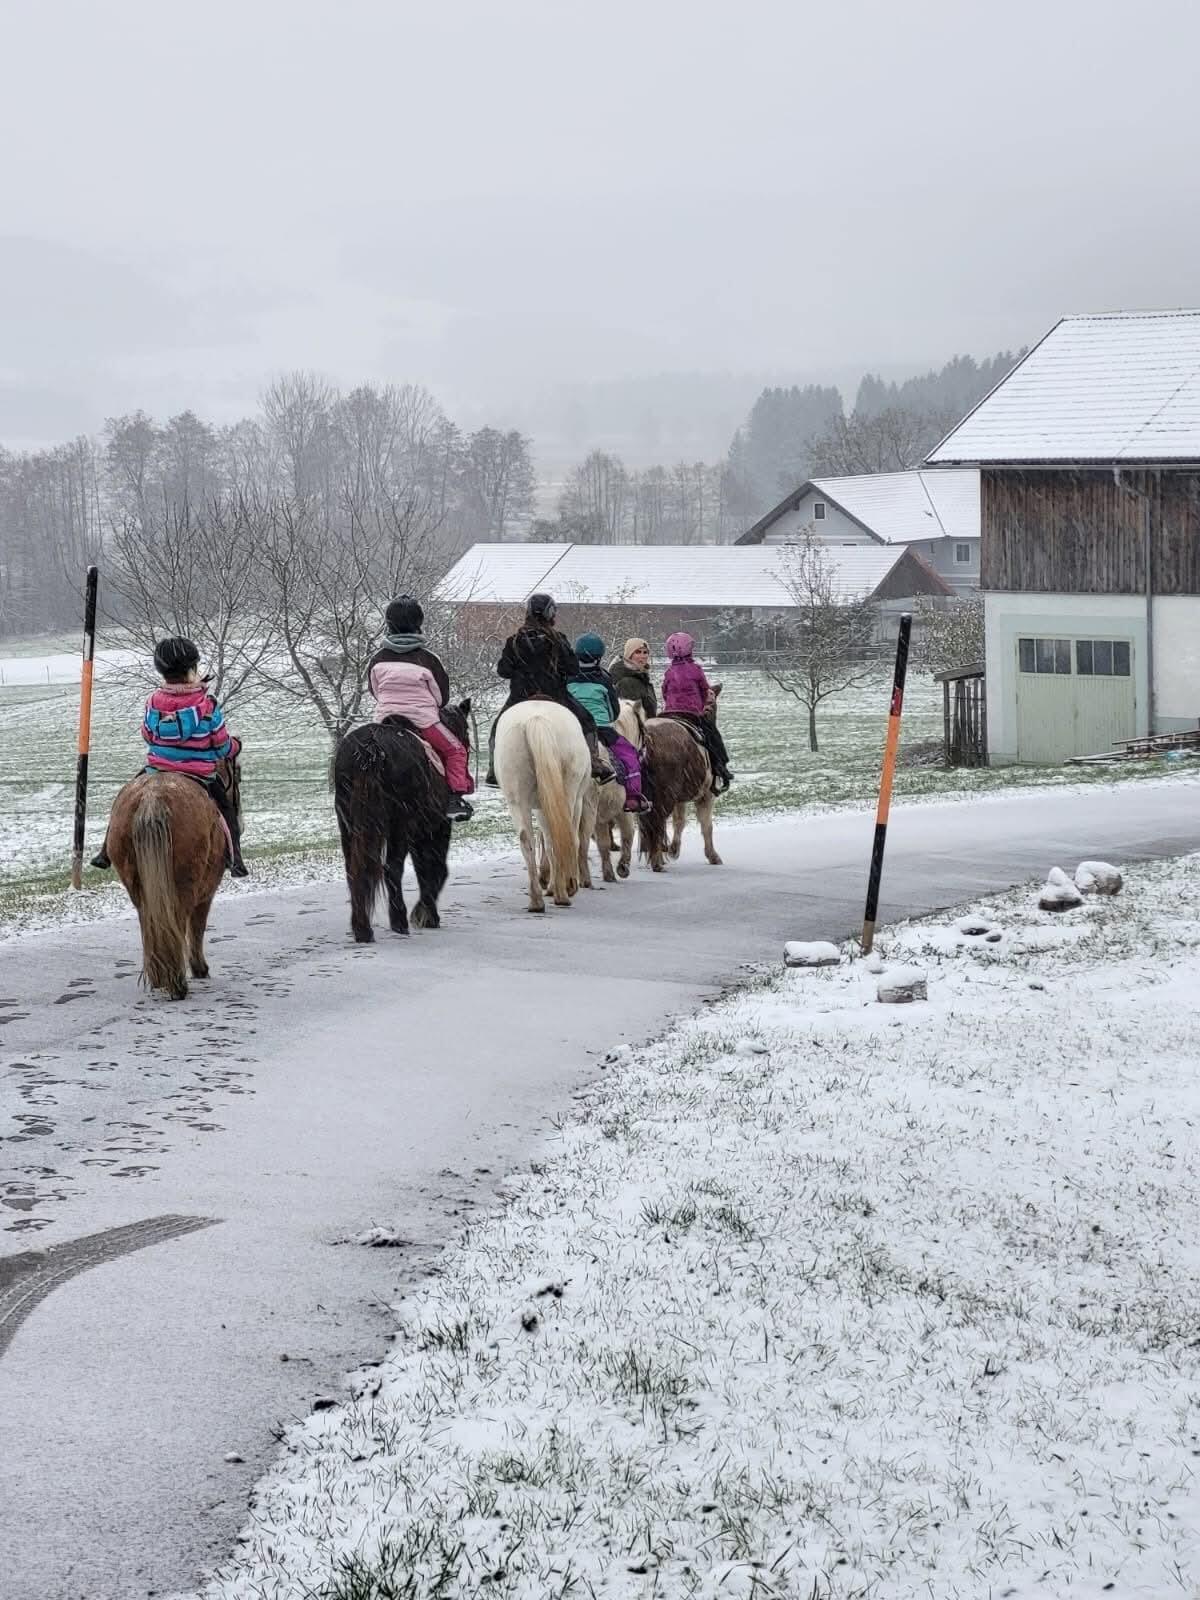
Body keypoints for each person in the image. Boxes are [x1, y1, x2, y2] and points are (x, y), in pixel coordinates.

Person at [90, 636, 248, 877]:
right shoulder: (208, 705)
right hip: (200, 774)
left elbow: (147, 734)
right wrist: (235, 746)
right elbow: (222, 744)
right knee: (226, 809)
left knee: (125, 796)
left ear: (162, 672)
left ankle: (105, 851)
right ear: (193, 669)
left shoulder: (154, 701)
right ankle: (235, 857)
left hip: (157, 769)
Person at [484, 593, 611, 785]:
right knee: (587, 721)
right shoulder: (558, 639)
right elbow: (572, 668)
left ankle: (494, 769)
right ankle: (593, 762)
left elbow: (503, 671)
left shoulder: (514, 640)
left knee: (496, 727)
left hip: (520, 697)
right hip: (556, 697)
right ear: (550, 614)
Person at [367, 596, 474, 822]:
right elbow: (441, 698)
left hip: (384, 719)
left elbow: (374, 691)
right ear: (419, 623)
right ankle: (455, 798)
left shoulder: (377, 658)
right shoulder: (428, 659)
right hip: (422, 721)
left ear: (388, 623)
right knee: (456, 750)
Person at [567, 634, 651, 814]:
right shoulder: (604, 678)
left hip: (572, 729)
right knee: (630, 755)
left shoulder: (567, 676)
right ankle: (633, 797)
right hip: (601, 729)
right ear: (600, 656)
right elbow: (614, 711)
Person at [661, 631, 733, 793]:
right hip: (691, 715)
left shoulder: (669, 672)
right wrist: (701, 705)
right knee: (713, 736)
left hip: (670, 715)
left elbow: (664, 692)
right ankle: (720, 768)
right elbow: (705, 690)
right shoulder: (696, 670)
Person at [609, 637, 657, 718]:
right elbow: (629, 717)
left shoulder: (641, 678)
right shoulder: (627, 682)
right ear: (629, 655)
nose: (642, 656)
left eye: (645, 652)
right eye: (638, 652)